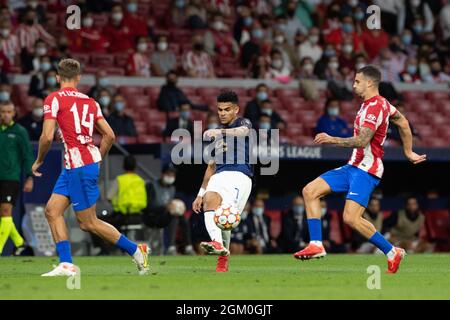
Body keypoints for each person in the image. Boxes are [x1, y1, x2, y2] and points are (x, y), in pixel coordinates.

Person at [293, 65, 427, 274]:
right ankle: (317, 244)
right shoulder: (377, 105)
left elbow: (362, 140)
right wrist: (408, 151)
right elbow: (403, 122)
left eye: (357, 81)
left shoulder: (375, 107)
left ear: (370, 83)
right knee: (310, 191)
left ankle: (392, 252)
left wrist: (331, 139)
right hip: (353, 166)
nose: (353, 84)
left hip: (367, 170)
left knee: (351, 218)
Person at [31, 59, 149, 276]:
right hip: (76, 165)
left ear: (57, 77)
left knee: (88, 223)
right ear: (78, 78)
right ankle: (66, 264)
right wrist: (98, 157)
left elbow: (47, 137)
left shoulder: (53, 98)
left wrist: (39, 160)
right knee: (52, 211)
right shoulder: (90, 102)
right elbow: (110, 135)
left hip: (79, 165)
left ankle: (136, 250)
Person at [192, 91, 253, 272]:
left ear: (236, 110)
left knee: (226, 222)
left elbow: (242, 132)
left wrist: (219, 132)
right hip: (219, 175)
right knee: (210, 201)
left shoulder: (243, 123)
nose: (222, 113)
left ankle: (223, 257)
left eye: (227, 109)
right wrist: (199, 194)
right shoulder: (217, 138)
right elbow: (211, 167)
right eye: (220, 110)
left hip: (239, 176)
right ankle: (217, 244)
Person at [0, 101, 34, 256]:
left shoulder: (20, 131)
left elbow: (27, 156)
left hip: (10, 178)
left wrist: (30, 177)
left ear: (14, 113)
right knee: (4, 214)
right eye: (3, 112)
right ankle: (20, 243)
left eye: (8, 111)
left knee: (6, 211)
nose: (5, 115)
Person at [143, 165, 177, 255]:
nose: (170, 177)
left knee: (179, 217)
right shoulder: (151, 186)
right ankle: (170, 247)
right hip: (152, 217)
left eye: (172, 175)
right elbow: (148, 207)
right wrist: (164, 207)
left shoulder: (172, 188)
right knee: (172, 217)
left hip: (164, 217)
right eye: (168, 174)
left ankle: (178, 246)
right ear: (163, 174)